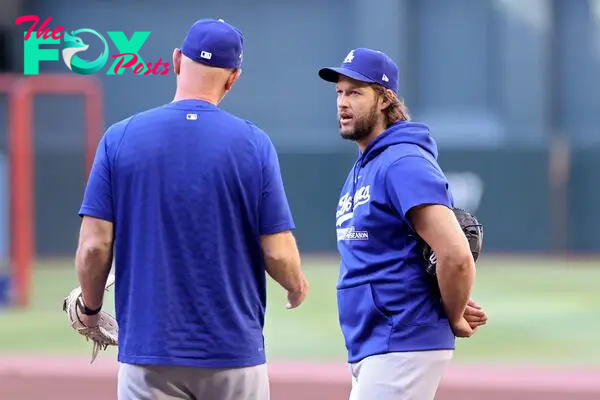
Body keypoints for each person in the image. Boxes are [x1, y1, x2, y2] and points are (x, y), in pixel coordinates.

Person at [73, 18, 309, 400]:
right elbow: (277, 250)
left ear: (177, 60)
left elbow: (94, 246)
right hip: (234, 355)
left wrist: (91, 306)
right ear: (233, 78)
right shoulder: (254, 144)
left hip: (149, 354)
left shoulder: (120, 137)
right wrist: (295, 285)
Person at [318, 47, 488, 400]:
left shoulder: (403, 162)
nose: (342, 103)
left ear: (385, 99)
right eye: (339, 92)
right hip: (378, 342)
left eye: (355, 92)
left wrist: (453, 313)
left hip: (402, 339)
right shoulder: (368, 164)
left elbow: (455, 254)